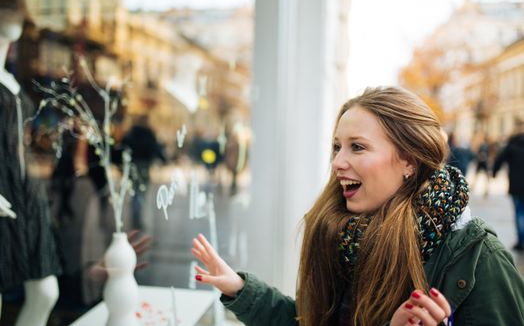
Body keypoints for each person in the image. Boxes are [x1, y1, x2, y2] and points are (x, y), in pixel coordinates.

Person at [191, 86, 524, 325]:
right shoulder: (338, 234)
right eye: (337, 147)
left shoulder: (478, 259)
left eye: (357, 147)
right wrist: (240, 289)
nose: (337, 162)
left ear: (408, 160)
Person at [0, 0, 62, 326]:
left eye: (16, 9)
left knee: (46, 291)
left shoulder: (10, 78)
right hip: (2, 192)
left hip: (26, 191)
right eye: (4, 8)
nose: (12, 17)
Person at [122, 115, 166, 229]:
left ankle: (135, 218)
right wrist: (162, 159)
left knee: (135, 193)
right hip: (144, 166)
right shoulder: (148, 134)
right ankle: (137, 219)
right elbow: (155, 148)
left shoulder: (131, 133)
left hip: (133, 165)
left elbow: (123, 147)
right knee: (140, 193)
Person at [493, 119, 524, 251]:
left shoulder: (511, 146)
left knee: (519, 213)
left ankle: (521, 241)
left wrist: (494, 171)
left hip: (516, 185)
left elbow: (499, 159)